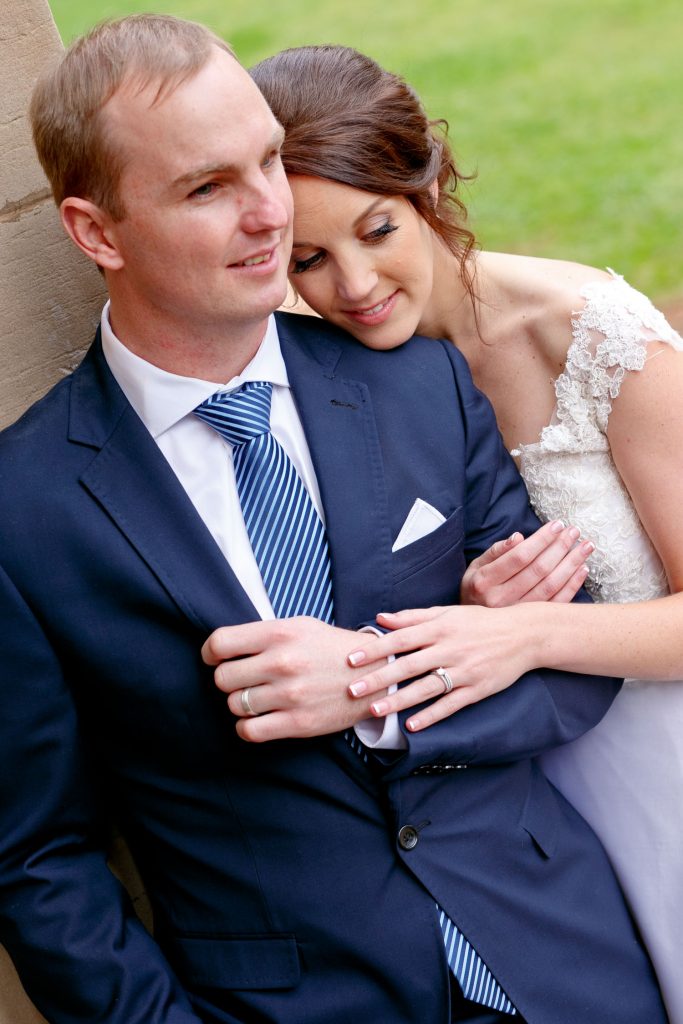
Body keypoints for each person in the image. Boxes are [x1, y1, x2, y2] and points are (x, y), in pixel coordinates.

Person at [0, 16, 666, 1024]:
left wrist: (376, 687)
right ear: (95, 232)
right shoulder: (26, 507)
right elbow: (38, 856)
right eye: (206, 188)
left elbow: (563, 674)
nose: (268, 212)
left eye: (265, 159)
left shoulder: (422, 386)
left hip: (563, 962)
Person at [249, 43, 683, 1023]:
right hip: (526, 802)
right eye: (307, 260)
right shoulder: (335, 381)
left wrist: (524, 632)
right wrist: (472, 608)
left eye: (375, 229)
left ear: (427, 183)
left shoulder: (596, 338)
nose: (352, 284)